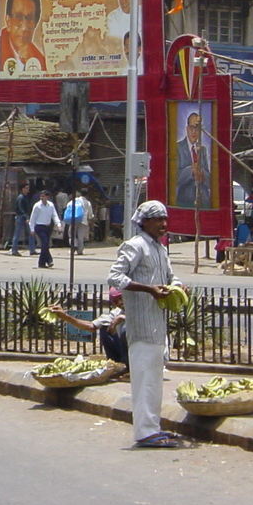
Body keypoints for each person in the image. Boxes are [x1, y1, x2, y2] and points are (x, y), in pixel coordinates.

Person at [108, 199, 183, 448]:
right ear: (144, 222)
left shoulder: (161, 249)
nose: (163, 224)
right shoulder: (135, 246)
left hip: (157, 324)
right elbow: (115, 276)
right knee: (143, 380)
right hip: (140, 324)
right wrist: (148, 289)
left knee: (154, 379)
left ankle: (154, 427)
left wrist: (178, 286)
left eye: (165, 219)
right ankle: (144, 432)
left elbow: (170, 275)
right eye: (157, 219)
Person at [50, 288, 128, 366]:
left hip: (137, 348)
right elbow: (91, 326)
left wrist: (122, 318)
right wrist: (65, 316)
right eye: (116, 301)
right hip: (124, 349)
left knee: (124, 330)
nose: (120, 302)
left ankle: (128, 365)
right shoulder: (117, 313)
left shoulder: (138, 307)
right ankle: (116, 364)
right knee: (105, 328)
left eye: (121, 298)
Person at [0, 0, 46, 77]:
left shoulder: (41, 60)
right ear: (8, 22)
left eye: (30, 19)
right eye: (18, 17)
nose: (24, 27)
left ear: (36, 24)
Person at [175, 111, 211, 209]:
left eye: (197, 128)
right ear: (187, 129)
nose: (194, 131)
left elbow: (210, 182)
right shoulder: (178, 147)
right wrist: (191, 170)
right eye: (192, 127)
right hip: (185, 202)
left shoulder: (202, 149)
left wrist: (202, 173)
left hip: (204, 202)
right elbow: (174, 179)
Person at [29, 190, 60, 268]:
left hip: (48, 227)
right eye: (41, 196)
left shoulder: (51, 205)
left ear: (47, 197)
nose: (41, 198)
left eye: (43, 196)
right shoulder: (37, 206)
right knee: (45, 242)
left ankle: (41, 263)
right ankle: (49, 260)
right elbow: (33, 218)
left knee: (45, 245)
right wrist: (32, 229)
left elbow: (54, 215)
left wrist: (58, 224)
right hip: (39, 227)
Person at [62, 188, 94, 254]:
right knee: (80, 236)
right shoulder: (87, 202)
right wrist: (90, 218)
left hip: (74, 219)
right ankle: (80, 251)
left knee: (71, 234)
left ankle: (74, 246)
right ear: (87, 195)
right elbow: (90, 214)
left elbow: (68, 206)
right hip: (83, 220)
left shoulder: (75, 200)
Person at [10, 182, 36, 256]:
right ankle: (14, 250)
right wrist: (26, 217)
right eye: (26, 188)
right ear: (22, 189)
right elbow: (21, 209)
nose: (28, 190)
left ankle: (32, 249)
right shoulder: (21, 197)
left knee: (31, 232)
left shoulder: (25, 197)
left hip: (24, 216)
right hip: (21, 217)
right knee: (17, 234)